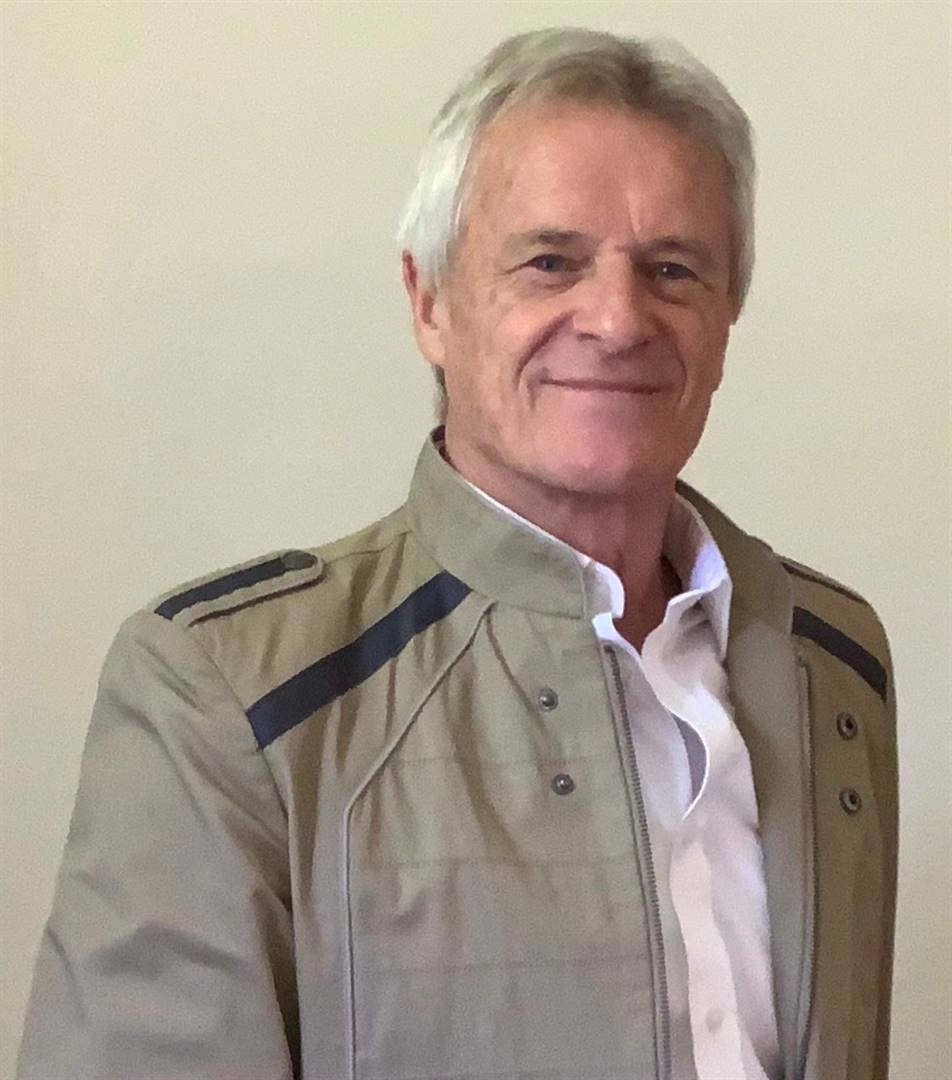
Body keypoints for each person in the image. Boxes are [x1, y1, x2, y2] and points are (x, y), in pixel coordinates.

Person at [17, 27, 896, 1080]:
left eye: (673, 269)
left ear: (727, 317)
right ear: (428, 302)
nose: (618, 319)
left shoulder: (832, 658)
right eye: (550, 262)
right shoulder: (225, 695)